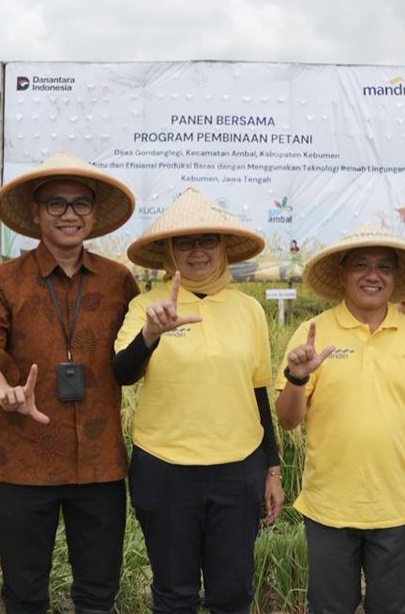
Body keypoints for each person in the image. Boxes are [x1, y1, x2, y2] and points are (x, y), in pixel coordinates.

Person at [0, 153, 140, 614]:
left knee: (98, 592)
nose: (68, 214)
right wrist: (3, 393)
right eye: (56, 204)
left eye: (80, 204)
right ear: (35, 213)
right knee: (24, 593)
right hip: (25, 460)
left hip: (100, 465)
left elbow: (138, 353)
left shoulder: (119, 281)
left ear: (93, 215)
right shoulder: (4, 281)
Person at [113, 187, 284, 613]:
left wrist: (272, 468)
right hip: (165, 469)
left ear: (223, 247)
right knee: (175, 596)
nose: (197, 251)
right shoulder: (146, 306)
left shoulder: (249, 310)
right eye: (184, 242)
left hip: (238, 469)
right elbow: (122, 373)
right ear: (169, 251)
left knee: (233, 594)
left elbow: (257, 392)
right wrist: (151, 334)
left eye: (208, 240)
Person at [275, 223, 405, 614]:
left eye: (384, 267)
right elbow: (287, 420)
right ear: (342, 272)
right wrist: (297, 377)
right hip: (328, 507)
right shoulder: (312, 333)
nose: (373, 275)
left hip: (397, 507)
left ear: (395, 277)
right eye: (361, 265)